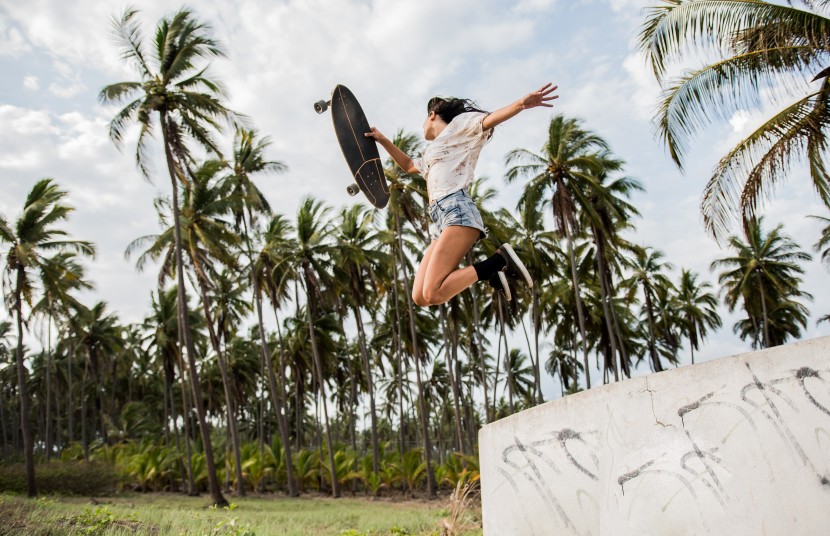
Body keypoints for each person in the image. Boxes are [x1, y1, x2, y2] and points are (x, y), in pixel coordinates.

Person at [365, 83, 559, 307]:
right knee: (420, 297)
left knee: (434, 292)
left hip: (456, 209)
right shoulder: (433, 151)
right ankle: (491, 271)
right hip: (441, 220)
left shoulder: (459, 126)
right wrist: (382, 140)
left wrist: (521, 105)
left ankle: (498, 262)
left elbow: (488, 120)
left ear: (432, 114)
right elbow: (409, 166)